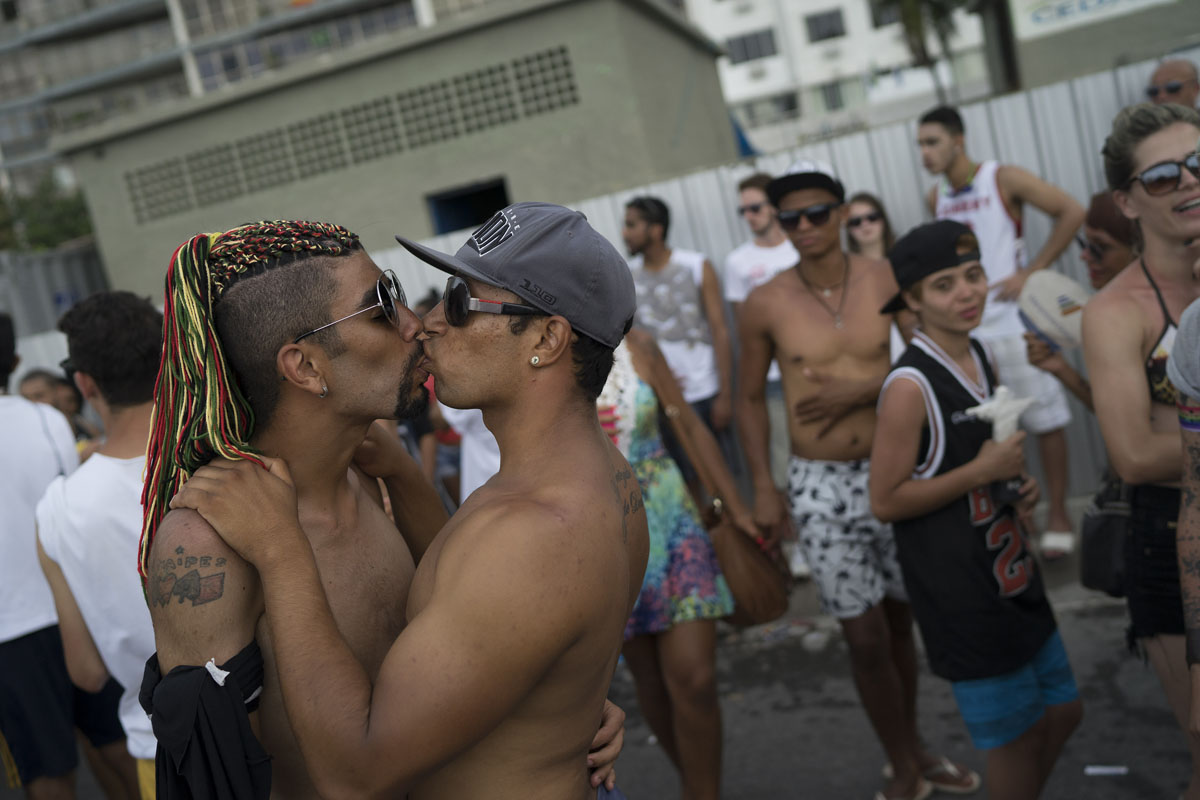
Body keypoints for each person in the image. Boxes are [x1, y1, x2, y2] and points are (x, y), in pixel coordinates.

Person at [165, 206, 644, 799]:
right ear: (304, 366)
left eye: (463, 302)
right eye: (389, 303)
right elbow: (502, 631)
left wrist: (284, 552)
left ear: (547, 338)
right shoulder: (609, 479)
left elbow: (356, 773)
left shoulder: (530, 531)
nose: (426, 322)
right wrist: (563, 709)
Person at [737, 160, 977, 800]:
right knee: (863, 634)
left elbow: (930, 357)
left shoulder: (887, 278)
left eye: (818, 213)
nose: (805, 226)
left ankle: (917, 747)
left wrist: (862, 389)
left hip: (893, 472)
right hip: (818, 485)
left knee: (901, 622)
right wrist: (763, 487)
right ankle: (901, 761)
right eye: (790, 218)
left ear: (843, 214)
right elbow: (745, 401)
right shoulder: (764, 302)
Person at [870, 220, 1081, 800]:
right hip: (964, 599)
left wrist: (1017, 487)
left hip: (1012, 573)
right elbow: (884, 500)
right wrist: (979, 473)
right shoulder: (910, 385)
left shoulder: (980, 352)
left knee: (1063, 712)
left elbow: (988, 459)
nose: (966, 292)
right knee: (1014, 743)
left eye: (973, 275)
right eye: (943, 285)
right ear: (911, 300)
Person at [1086, 102, 1200, 798]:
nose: (1188, 182)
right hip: (1171, 539)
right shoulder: (1116, 311)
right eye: (1161, 177)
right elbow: (1132, 453)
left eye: (1198, 164)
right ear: (1127, 201)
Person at [919, 104, 1085, 555]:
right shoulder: (937, 197)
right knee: (998, 430)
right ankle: (1019, 519)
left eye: (931, 142)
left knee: (1046, 420)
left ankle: (1060, 513)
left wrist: (1032, 271)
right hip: (971, 335)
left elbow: (1071, 210)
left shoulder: (1002, 177)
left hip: (1014, 322)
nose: (924, 152)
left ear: (958, 140)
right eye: (919, 144)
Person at [600, 329, 745, 800]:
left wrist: (735, 509)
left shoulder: (637, 344)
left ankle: (703, 791)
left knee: (694, 678)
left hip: (671, 517)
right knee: (651, 681)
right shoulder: (541, 357)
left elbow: (690, 425)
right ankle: (696, 783)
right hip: (604, 533)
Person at [0, 312, 136, 800]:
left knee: (48, 772)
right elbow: (64, 498)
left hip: (10, 634)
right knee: (120, 743)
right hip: (72, 608)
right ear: (14, 361)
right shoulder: (46, 417)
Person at [34, 292, 162, 800]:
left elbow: (86, 672)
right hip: (284, 734)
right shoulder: (231, 454)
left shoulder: (59, 509)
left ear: (84, 384)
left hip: (165, 749)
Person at [722, 172, 806, 576]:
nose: (749, 216)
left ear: (774, 206)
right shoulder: (739, 261)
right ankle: (797, 544)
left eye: (755, 207)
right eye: (743, 211)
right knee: (781, 462)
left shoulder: (799, 247)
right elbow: (743, 327)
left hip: (808, 368)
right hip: (771, 375)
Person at [624, 195, 738, 488]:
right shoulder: (628, 276)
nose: (625, 233)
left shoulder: (696, 265)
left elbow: (720, 330)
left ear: (656, 229)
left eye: (632, 225)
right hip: (665, 398)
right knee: (690, 483)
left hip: (705, 391)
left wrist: (725, 394)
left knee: (725, 476)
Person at [1024, 191, 1137, 412]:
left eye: (1099, 247)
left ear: (1139, 247)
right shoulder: (1109, 316)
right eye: (1083, 243)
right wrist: (1060, 368)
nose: (1084, 256)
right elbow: (1113, 413)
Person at [845, 192, 897, 259]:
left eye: (872, 217)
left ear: (883, 219)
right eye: (856, 221)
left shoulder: (905, 256)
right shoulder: (845, 267)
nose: (865, 224)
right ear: (848, 229)